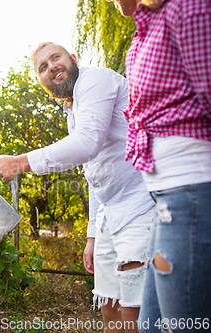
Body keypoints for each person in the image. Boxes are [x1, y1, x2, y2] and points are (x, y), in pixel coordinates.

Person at [0, 42, 155, 333]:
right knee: (109, 308)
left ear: (73, 59)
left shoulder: (95, 80)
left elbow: (87, 143)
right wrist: (92, 235)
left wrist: (20, 162)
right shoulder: (73, 110)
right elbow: (94, 174)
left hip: (141, 203)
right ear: (42, 82)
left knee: (134, 312)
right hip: (109, 216)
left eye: (56, 58)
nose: (51, 66)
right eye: (43, 67)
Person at [108, 0, 211, 331]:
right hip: (165, 202)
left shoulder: (189, 8)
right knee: (150, 326)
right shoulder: (143, 31)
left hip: (190, 194)